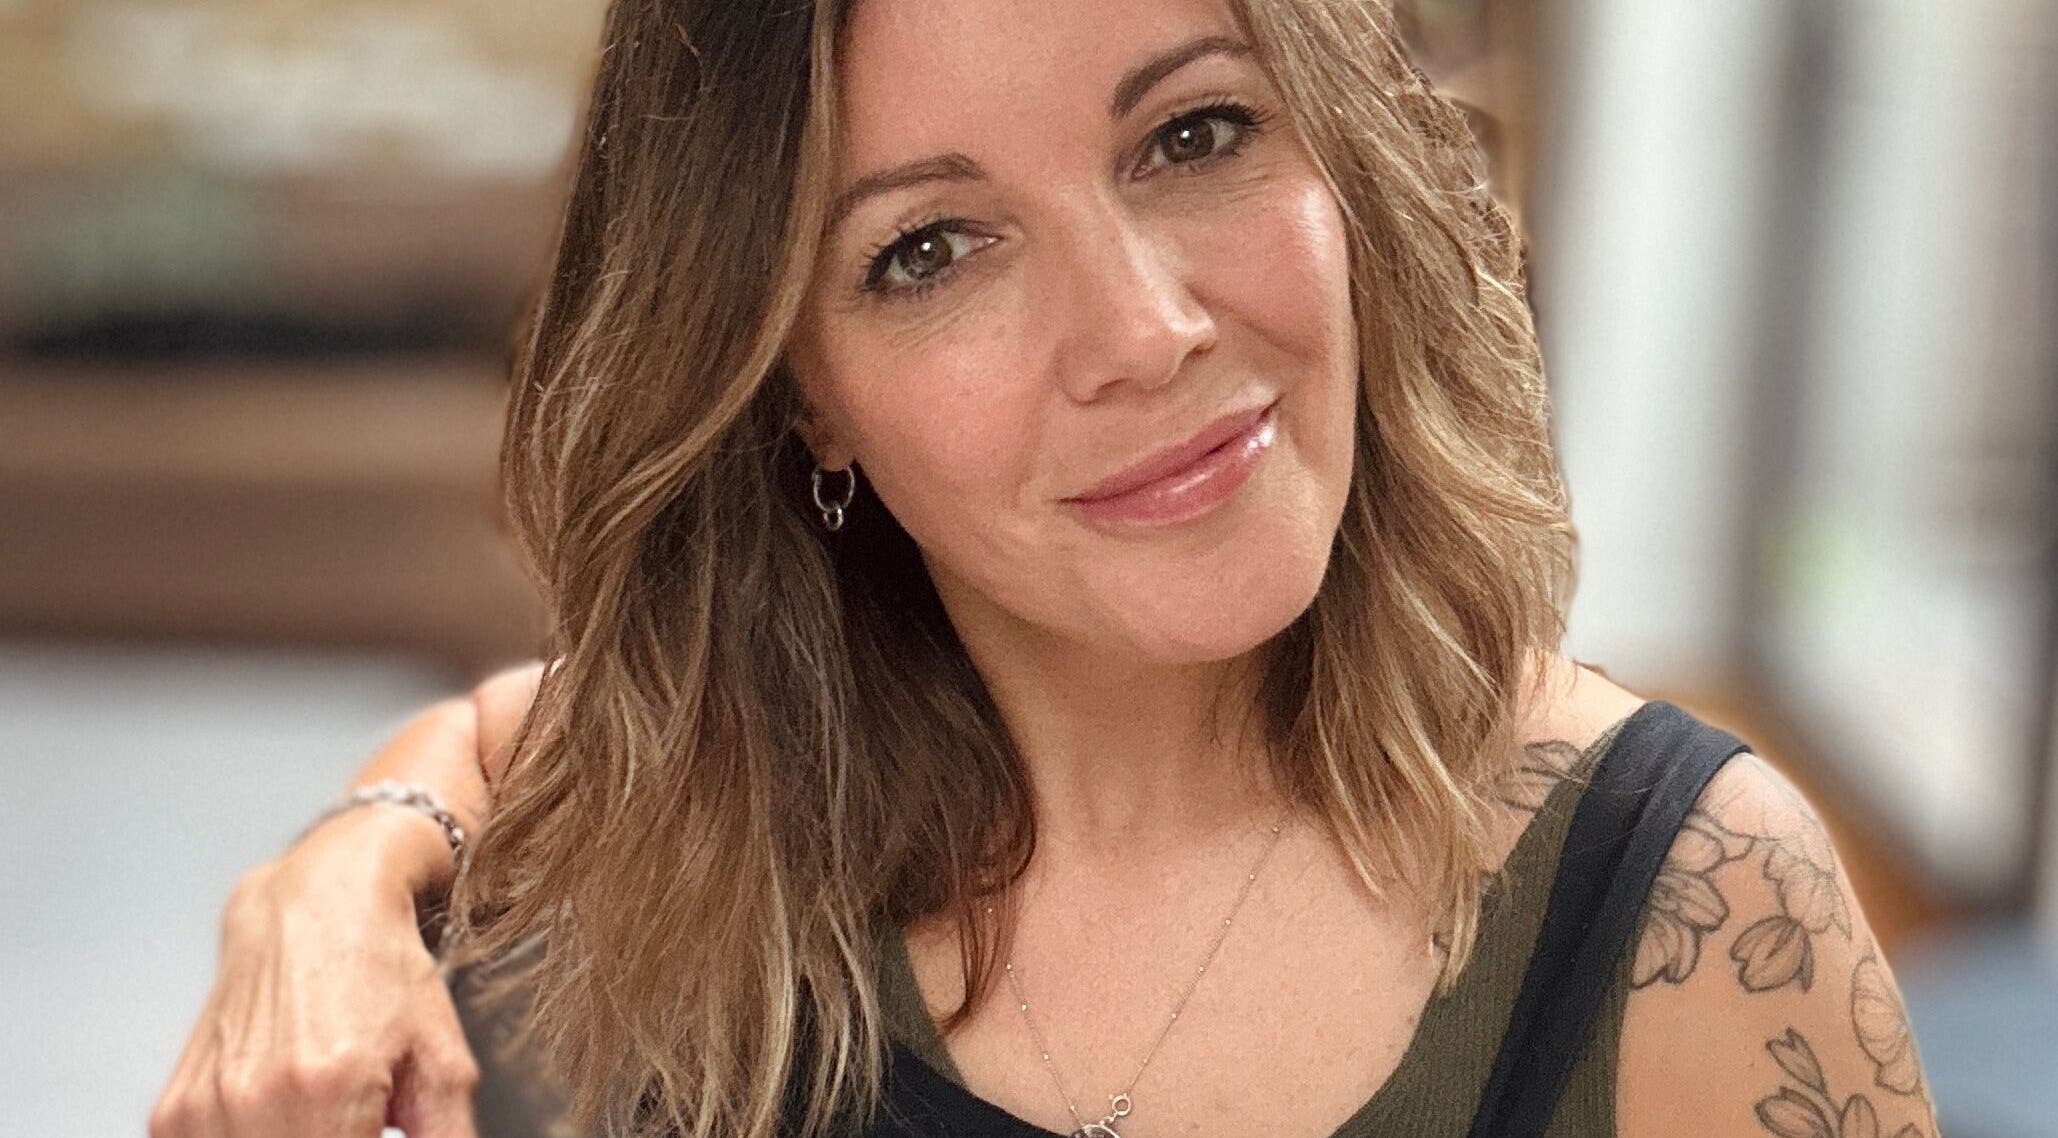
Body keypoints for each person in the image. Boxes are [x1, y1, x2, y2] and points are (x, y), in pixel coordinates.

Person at [151, 0, 1942, 1136]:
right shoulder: (707, 830)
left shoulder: (1697, 919)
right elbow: (531, 731)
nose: (1144, 333)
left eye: (1193, 131)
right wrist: (338, 867)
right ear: (801, 398)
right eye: (930, 250)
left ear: (1343, 157)